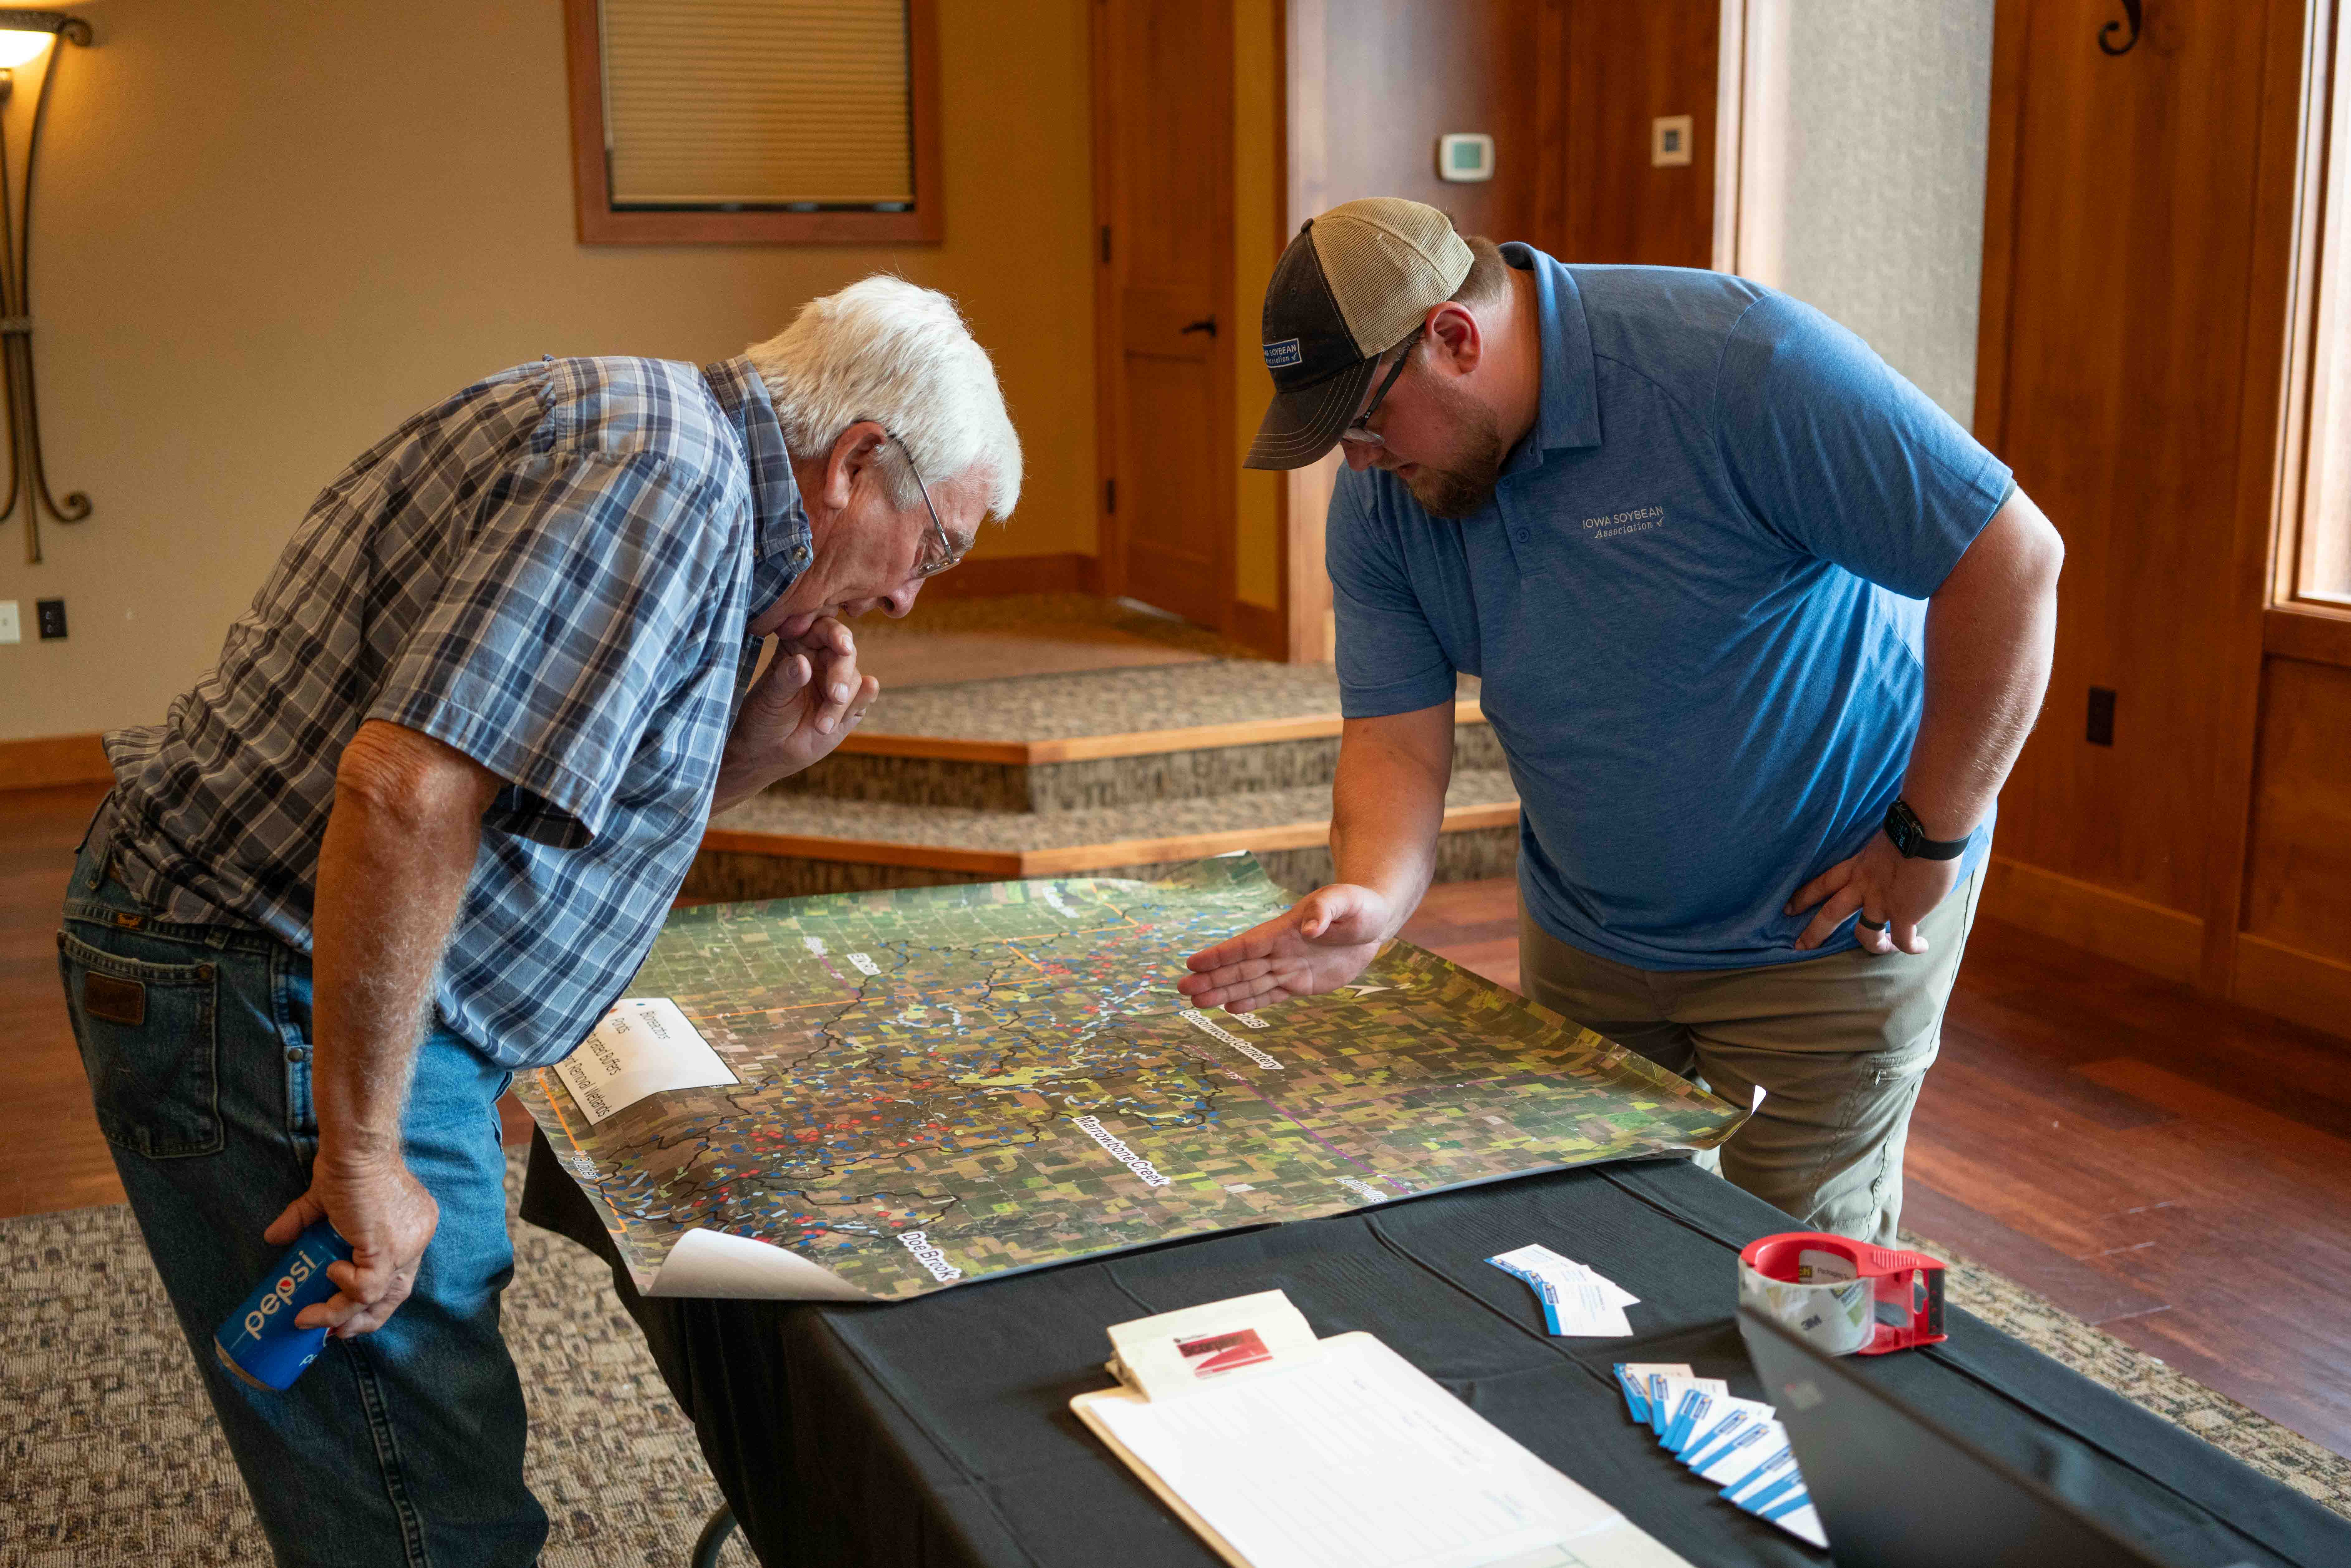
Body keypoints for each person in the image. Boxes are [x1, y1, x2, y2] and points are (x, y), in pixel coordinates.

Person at [56, 275, 1021, 1567]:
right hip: (272, 987)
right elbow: (403, 793)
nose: (910, 596)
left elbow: (523, 808)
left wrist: (747, 758)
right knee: (424, 1509)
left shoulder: (674, 462)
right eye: (935, 545)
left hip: (300, 979)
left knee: (408, 1460)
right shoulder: (666, 480)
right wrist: (362, 1150)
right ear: (855, 459)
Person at [1180, 198, 2061, 1247]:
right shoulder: (1387, 498)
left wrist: (1931, 837)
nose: (1358, 461)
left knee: (1787, 1280)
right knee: (1577, 1245)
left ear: (1453, 340)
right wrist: (1373, 894)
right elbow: (1395, 740)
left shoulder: (1739, 364)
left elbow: (2011, 561)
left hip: (1822, 931)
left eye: (1364, 424)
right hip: (1590, 930)